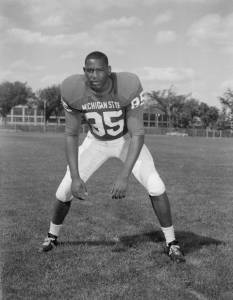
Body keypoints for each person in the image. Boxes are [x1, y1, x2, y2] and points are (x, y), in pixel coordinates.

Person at [40, 51, 185, 263]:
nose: (94, 75)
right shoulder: (72, 89)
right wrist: (75, 176)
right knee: (64, 190)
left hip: (126, 140)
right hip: (95, 141)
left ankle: (172, 243)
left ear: (109, 70)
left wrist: (124, 176)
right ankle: (52, 236)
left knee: (156, 186)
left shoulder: (127, 85)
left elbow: (138, 135)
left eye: (99, 70)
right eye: (89, 70)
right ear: (84, 71)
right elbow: (71, 134)